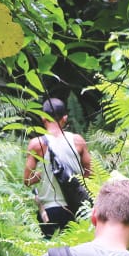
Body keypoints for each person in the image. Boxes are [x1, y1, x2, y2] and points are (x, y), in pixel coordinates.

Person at [22, 97, 92, 238]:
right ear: (65, 118)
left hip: (50, 211)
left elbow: (27, 180)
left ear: (43, 118)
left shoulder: (37, 144)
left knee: (50, 254)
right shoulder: (78, 141)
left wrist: (41, 175)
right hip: (77, 209)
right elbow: (91, 174)